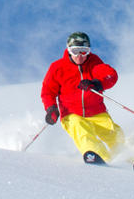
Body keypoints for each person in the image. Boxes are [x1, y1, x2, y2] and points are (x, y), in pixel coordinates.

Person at [40, 31, 124, 165]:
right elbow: (48, 92)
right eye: (75, 51)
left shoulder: (94, 62)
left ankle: (130, 159)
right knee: (82, 133)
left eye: (84, 51)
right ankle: (101, 159)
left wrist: (97, 83)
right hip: (72, 114)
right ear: (68, 50)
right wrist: (51, 109)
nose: (79, 56)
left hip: (97, 111)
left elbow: (111, 75)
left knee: (114, 134)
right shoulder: (57, 68)